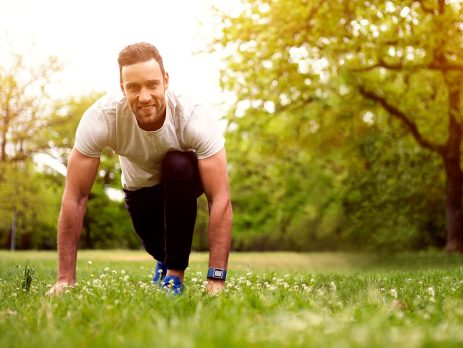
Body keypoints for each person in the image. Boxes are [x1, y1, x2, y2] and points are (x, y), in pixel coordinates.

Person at [47, 42, 232, 296]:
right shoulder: (102, 118)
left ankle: (174, 279)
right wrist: (64, 279)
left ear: (165, 81)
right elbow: (75, 196)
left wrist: (216, 280)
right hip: (140, 191)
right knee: (160, 250)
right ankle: (165, 262)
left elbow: (220, 197)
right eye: (133, 87)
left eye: (152, 84)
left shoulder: (193, 116)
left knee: (176, 164)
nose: (144, 97)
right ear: (122, 87)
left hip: (184, 182)